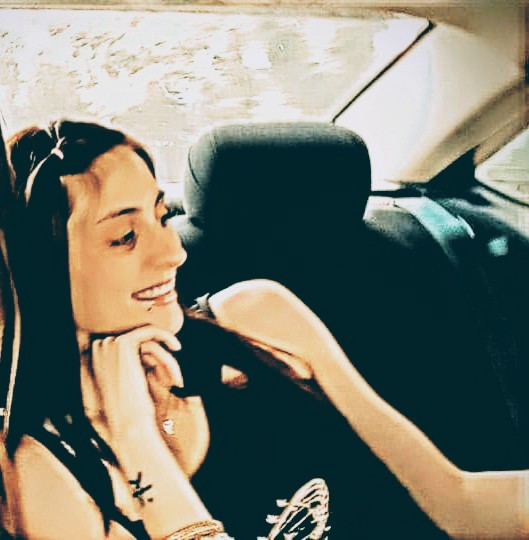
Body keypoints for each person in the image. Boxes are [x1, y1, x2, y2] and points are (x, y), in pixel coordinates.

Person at [0, 118, 527, 539]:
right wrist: (139, 443)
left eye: (160, 217)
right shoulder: (46, 470)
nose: (173, 252)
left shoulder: (260, 317)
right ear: (37, 270)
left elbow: (456, 502)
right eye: (124, 237)